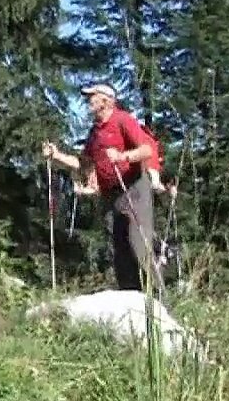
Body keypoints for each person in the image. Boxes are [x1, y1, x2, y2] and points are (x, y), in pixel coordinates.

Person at [42, 83, 164, 294]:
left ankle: (158, 299)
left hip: (133, 187)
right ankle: (130, 296)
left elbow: (146, 149)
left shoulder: (122, 120)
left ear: (107, 100)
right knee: (120, 249)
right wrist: (56, 155)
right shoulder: (95, 132)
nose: (88, 101)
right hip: (111, 195)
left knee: (139, 243)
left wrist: (122, 156)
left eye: (92, 97)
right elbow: (84, 163)